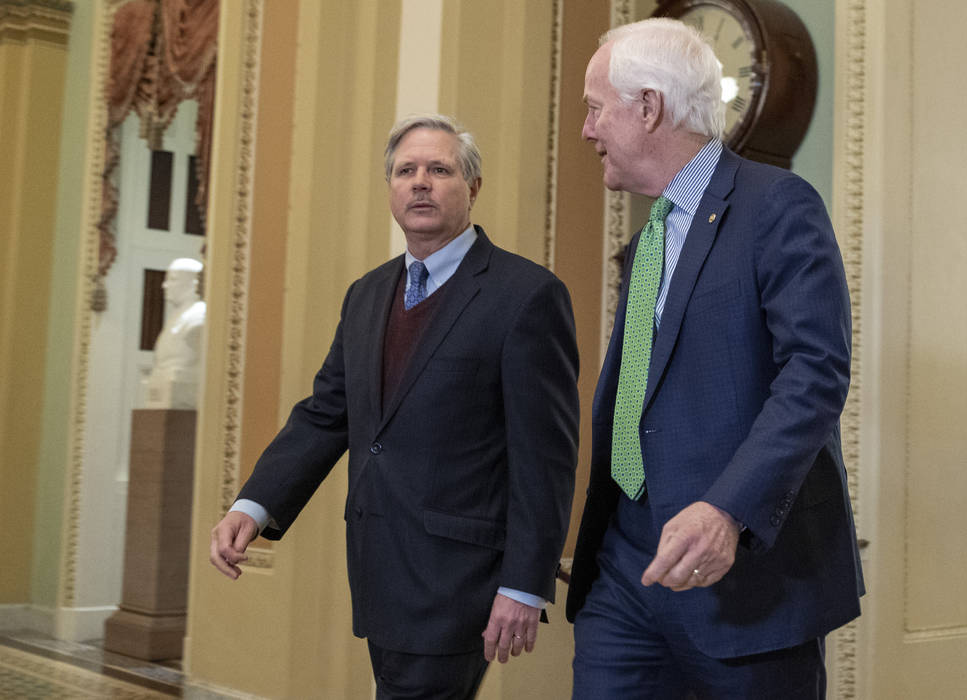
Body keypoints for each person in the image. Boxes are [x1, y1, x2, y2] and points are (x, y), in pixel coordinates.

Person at [210, 114, 579, 699]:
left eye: (439, 169)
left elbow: (546, 459)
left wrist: (525, 585)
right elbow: (326, 413)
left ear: (472, 187)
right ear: (390, 189)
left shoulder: (526, 296)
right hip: (380, 573)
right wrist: (253, 506)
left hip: (460, 581)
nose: (421, 182)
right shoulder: (367, 294)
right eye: (406, 171)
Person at [567, 18, 864, 699]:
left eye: (594, 108)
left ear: (647, 107)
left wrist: (727, 510)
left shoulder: (777, 206)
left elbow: (815, 373)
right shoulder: (650, 237)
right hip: (625, 572)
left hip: (745, 585)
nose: (586, 130)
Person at [144, 257, 206, 409]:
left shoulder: (199, 316)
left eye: (172, 280)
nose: (164, 285)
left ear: (193, 283)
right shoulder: (174, 317)